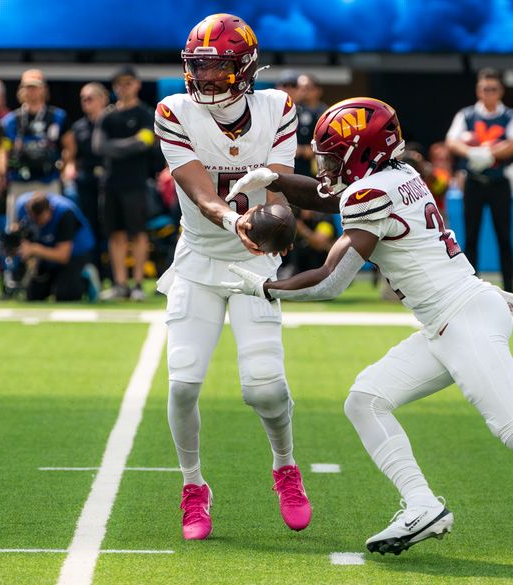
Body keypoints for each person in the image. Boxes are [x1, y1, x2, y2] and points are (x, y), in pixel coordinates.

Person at [224, 97, 513, 567]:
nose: (328, 166)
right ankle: (421, 505)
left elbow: (331, 280)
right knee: (366, 399)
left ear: (363, 153)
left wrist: (268, 288)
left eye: (335, 156)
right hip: (451, 317)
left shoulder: (369, 194)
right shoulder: (401, 174)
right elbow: (329, 196)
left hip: (463, 318)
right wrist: (273, 180)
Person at [152, 13, 313, 541]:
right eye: (198, 68)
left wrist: (263, 219)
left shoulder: (278, 108)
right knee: (182, 384)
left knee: (265, 388)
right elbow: (198, 189)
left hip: (253, 262)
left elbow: (277, 186)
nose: (205, 80)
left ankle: (285, 467)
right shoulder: (173, 112)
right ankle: (193, 485)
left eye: (218, 69)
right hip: (199, 257)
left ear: (244, 67)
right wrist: (233, 218)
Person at [445, 68, 513, 292]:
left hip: (499, 183)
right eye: (484, 89)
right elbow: (452, 141)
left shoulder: (510, 116)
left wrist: (490, 154)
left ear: (501, 91)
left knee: (504, 237)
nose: (488, 93)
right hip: (474, 182)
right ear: (478, 91)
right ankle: (471, 287)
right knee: (471, 236)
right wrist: (472, 154)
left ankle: (510, 288)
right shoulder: (467, 115)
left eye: (493, 89)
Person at [94, 67, 155, 301]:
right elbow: (99, 146)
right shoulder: (107, 116)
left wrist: (117, 146)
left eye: (128, 83)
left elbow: (147, 142)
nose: (124, 87)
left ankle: (138, 284)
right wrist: (131, 144)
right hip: (111, 184)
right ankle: (120, 284)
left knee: (138, 234)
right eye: (119, 84)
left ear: (137, 85)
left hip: (136, 183)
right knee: (115, 234)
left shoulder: (145, 114)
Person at [0, 69, 69, 225]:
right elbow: (4, 148)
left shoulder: (57, 116)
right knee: (15, 225)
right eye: (28, 87)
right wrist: (1, 173)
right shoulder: (11, 120)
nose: (32, 91)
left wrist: (66, 168)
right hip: (19, 180)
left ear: (44, 89)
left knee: (51, 224)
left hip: (48, 180)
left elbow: (68, 146)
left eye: (36, 86)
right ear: (21, 90)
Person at [14, 191, 97, 302]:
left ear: (50, 209)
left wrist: (34, 249)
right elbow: (18, 231)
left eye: (40, 219)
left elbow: (63, 256)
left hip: (75, 253)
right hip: (47, 251)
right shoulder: (21, 206)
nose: (39, 223)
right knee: (34, 295)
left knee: (66, 296)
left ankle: (86, 277)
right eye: (35, 219)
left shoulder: (65, 212)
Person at [62, 82, 109, 270]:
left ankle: (114, 274)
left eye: (90, 98)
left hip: (109, 179)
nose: (85, 102)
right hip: (86, 179)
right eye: (83, 99)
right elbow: (71, 155)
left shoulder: (113, 121)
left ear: (102, 99)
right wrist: (69, 166)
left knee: (110, 227)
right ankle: (94, 269)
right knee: (90, 225)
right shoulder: (78, 127)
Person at [294, 73, 328, 178]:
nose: (303, 91)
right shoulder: (293, 110)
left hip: (315, 172)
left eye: (307, 88)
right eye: (299, 87)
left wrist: (303, 150)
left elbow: (328, 144)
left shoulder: (325, 113)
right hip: (294, 169)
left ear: (318, 90)